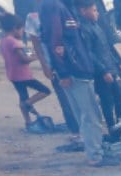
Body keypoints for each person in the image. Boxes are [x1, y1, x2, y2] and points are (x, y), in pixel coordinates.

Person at [41, 0, 117, 165]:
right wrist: (63, 72)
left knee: (87, 116)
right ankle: (95, 156)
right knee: (91, 116)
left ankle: (95, 151)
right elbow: (54, 42)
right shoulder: (55, 7)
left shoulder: (66, 8)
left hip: (78, 71)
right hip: (75, 73)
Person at [24, 1, 79, 135]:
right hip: (54, 64)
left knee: (78, 97)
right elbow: (36, 44)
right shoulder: (33, 17)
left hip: (73, 62)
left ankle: (82, 128)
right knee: (65, 98)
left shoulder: (63, 9)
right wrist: (45, 66)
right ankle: (75, 130)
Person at [76, 0, 121, 133]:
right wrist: (103, 71)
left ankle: (120, 127)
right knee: (107, 102)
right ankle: (112, 129)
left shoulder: (95, 26)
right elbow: (89, 53)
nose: (97, 13)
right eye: (94, 10)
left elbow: (105, 49)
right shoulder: (83, 29)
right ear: (83, 11)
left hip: (109, 69)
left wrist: (117, 64)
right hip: (100, 73)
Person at [0, 14, 52, 130]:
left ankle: (28, 122)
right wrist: (37, 56)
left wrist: (30, 54)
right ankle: (28, 104)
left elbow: (16, 56)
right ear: (15, 28)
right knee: (45, 90)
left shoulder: (4, 40)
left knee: (22, 96)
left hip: (12, 75)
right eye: (22, 30)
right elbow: (23, 59)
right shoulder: (15, 43)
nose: (23, 32)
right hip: (23, 75)